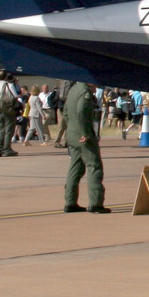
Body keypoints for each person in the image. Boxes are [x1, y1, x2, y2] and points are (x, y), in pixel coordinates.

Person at [62, 80, 109, 214]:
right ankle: (96, 203)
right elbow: (81, 110)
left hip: (72, 134)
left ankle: (70, 202)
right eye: (95, 86)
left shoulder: (73, 89)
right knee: (94, 166)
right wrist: (84, 132)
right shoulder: (84, 91)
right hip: (83, 136)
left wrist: (72, 128)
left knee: (75, 167)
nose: (96, 89)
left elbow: (65, 112)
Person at [0, 71, 20, 157]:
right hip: (8, 109)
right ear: (6, 77)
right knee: (9, 129)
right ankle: (7, 148)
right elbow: (14, 96)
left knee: (1, 129)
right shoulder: (9, 85)